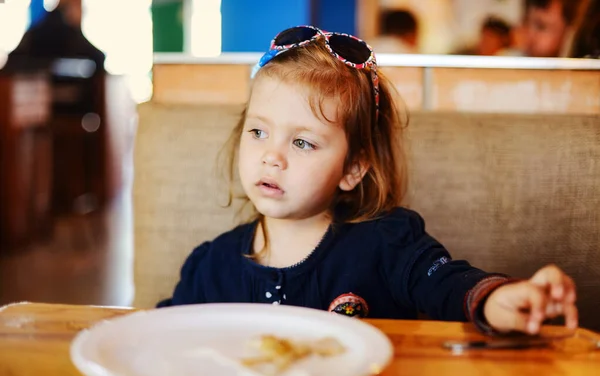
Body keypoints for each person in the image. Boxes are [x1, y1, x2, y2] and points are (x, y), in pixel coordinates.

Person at [158, 25, 578, 336]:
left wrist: (495, 301)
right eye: (258, 132)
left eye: (302, 142)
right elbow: (164, 337)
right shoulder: (209, 267)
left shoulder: (388, 244)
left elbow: (448, 285)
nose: (272, 155)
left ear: (353, 169)